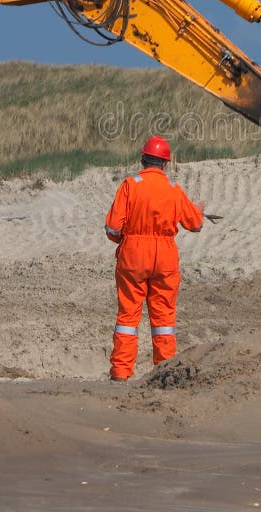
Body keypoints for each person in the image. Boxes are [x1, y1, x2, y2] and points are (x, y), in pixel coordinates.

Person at [104, 135, 205, 381]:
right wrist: (198, 210)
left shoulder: (131, 184)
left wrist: (127, 241)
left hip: (133, 255)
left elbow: (112, 228)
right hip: (165, 257)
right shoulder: (173, 189)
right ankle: (165, 372)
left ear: (143, 159)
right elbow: (195, 224)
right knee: (163, 318)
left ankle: (120, 372)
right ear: (166, 164)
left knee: (128, 317)